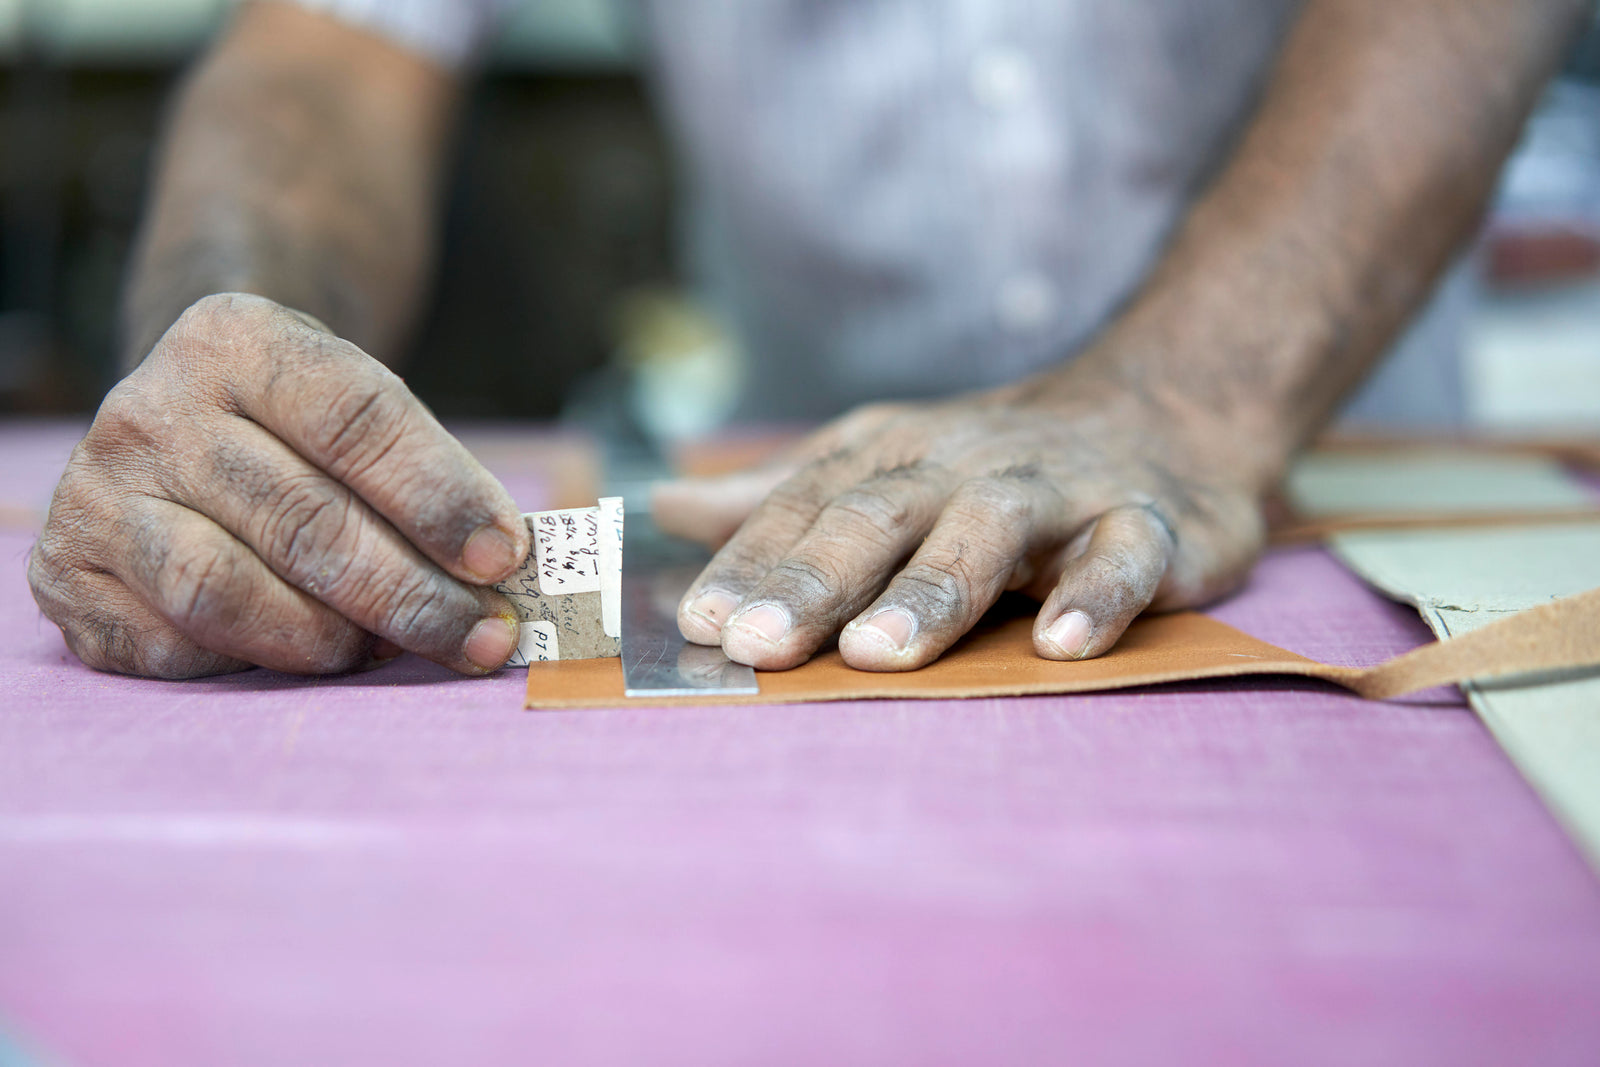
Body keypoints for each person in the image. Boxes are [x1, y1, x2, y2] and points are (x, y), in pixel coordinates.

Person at [26, 0, 1584, 679]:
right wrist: (228, 348)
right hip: (776, 533)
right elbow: (328, 54)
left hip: (1339, 498)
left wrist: (1185, 394)